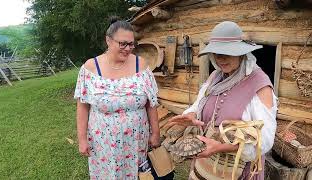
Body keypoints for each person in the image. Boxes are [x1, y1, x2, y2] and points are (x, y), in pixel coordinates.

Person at [166, 21, 277, 180]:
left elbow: (265, 141)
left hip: (237, 171)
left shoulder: (260, 85)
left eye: (228, 52)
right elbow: (199, 104)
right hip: (206, 166)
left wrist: (223, 147)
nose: (221, 59)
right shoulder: (215, 77)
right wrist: (191, 114)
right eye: (217, 53)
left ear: (241, 53)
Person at [74, 18, 160, 179]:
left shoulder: (140, 65)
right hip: (103, 142)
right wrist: (82, 139)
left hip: (136, 140)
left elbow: (151, 103)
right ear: (108, 40)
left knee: (138, 174)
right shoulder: (90, 68)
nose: (128, 49)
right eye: (123, 44)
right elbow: (82, 106)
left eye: (131, 44)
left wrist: (155, 133)